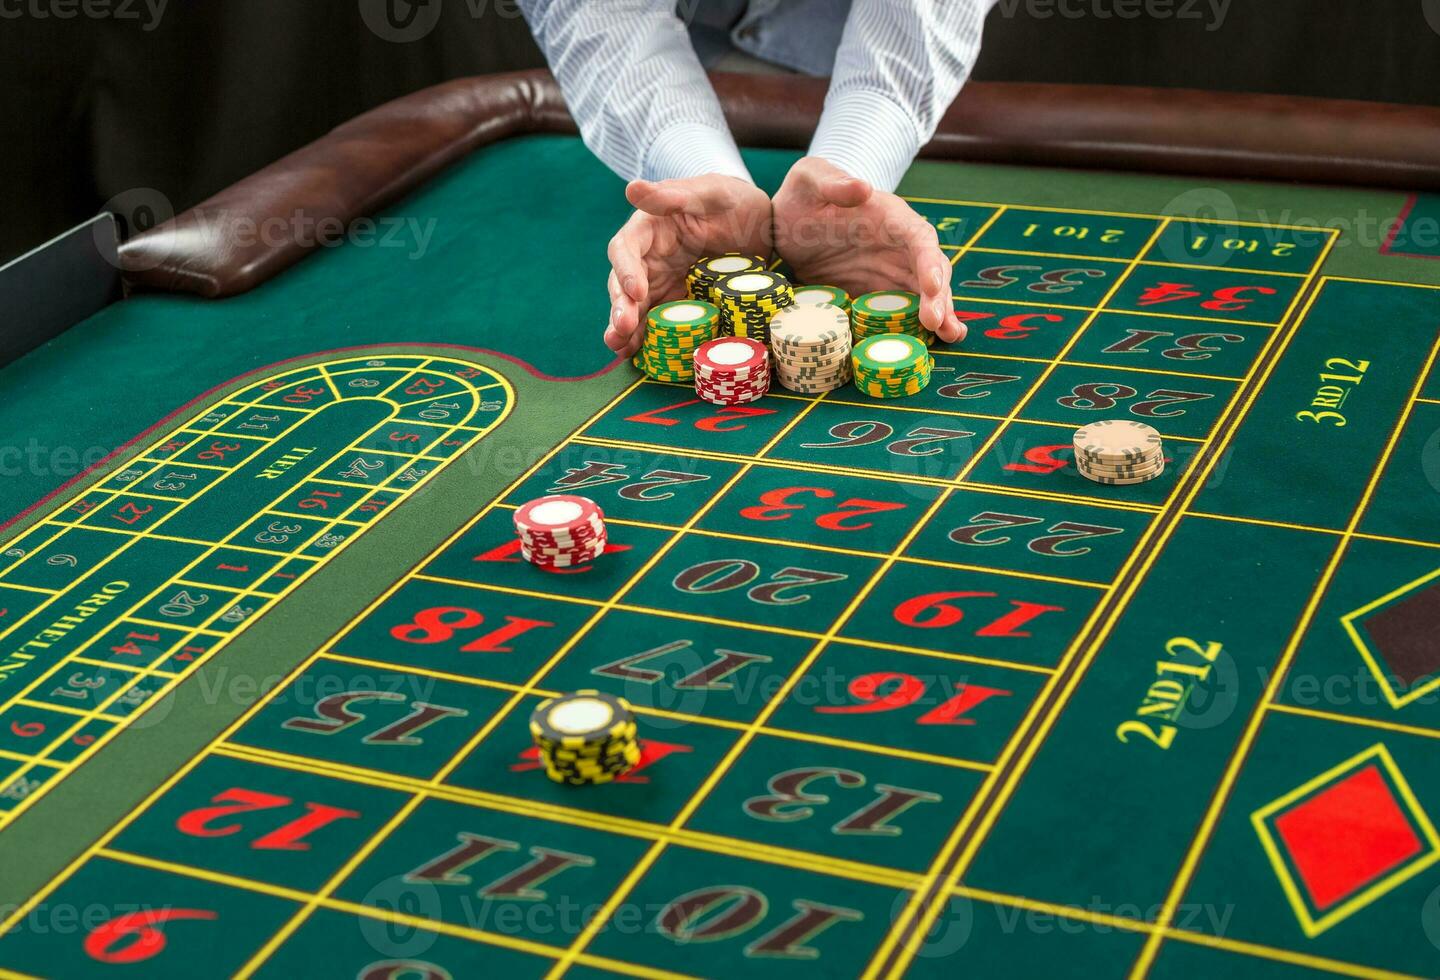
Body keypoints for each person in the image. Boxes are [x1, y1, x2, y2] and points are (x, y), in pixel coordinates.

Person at [516, 0, 999, 356]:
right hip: (677, 55)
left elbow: (917, 18)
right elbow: (598, 16)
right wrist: (697, 178)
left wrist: (848, 176)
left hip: (863, 56)